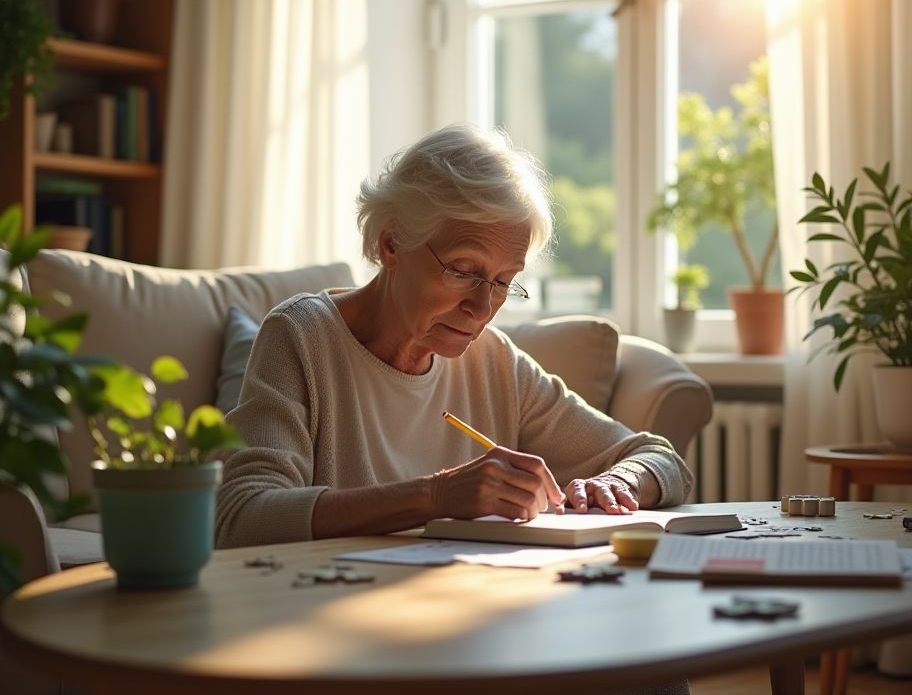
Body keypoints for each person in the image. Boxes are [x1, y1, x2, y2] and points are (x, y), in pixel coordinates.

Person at [216, 123, 694, 549]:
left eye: (504, 281)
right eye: (464, 270)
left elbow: (658, 457)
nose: (483, 309)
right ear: (392, 243)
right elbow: (243, 515)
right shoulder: (301, 336)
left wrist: (621, 482)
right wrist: (435, 495)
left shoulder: (492, 362)